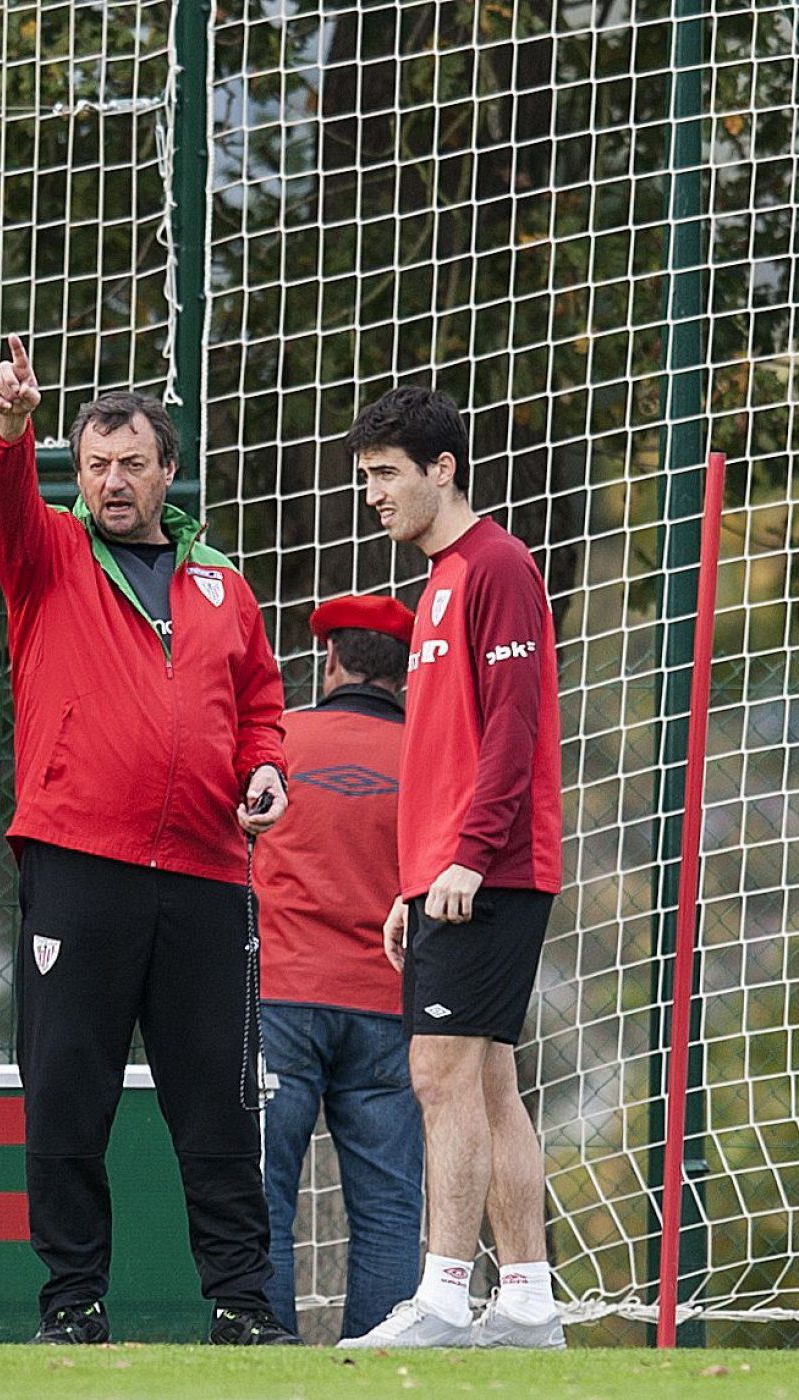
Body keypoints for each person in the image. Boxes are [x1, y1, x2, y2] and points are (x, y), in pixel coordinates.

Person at [0, 335, 300, 1346]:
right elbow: (0, 501)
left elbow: (260, 704)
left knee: (217, 1101)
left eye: (130, 463)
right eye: (95, 465)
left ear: (167, 471)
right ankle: (72, 1302)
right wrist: (11, 424)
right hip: (80, 863)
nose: (111, 481)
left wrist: (266, 767)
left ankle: (243, 1307)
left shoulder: (222, 584)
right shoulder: (49, 554)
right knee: (68, 1092)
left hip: (206, 871)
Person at [336, 385, 565, 1350]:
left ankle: (440, 1297)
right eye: (365, 479)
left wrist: (465, 857)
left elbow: (514, 729)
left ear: (444, 470)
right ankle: (525, 1302)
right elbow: (449, 750)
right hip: (447, 873)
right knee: (487, 1083)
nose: (375, 496)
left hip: (491, 869)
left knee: (437, 1074)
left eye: (389, 476)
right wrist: (410, 878)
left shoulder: (497, 565)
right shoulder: (436, 583)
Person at [253, 593, 423, 1341]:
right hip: (389, 1004)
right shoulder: (430, 754)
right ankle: (378, 1365)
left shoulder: (279, 740)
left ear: (331, 659)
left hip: (282, 995)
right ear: (406, 672)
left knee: (261, 1196)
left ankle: (266, 1357)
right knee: (389, 1205)